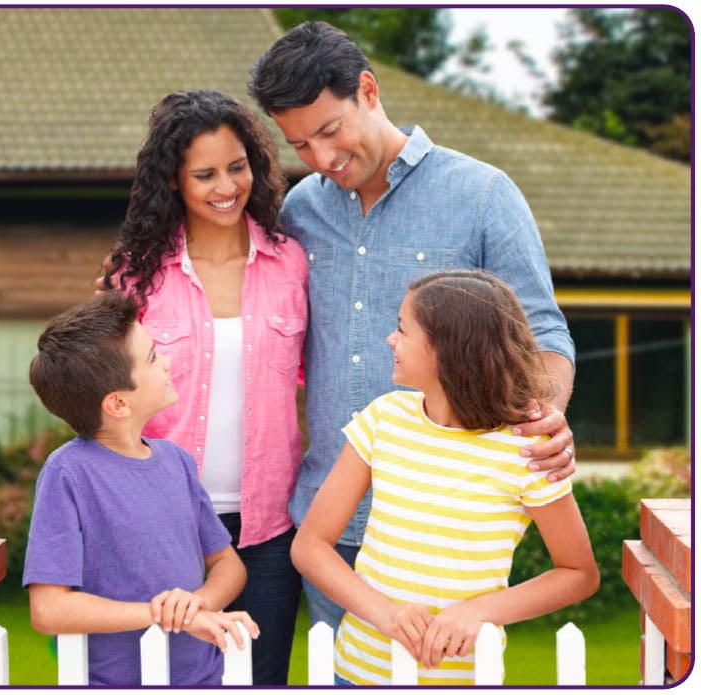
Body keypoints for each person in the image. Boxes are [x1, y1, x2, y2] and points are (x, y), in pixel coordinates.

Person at [248, 21, 579, 630]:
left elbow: (544, 336)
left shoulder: (482, 195)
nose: (322, 159)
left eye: (329, 131)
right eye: (300, 145)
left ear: (368, 92)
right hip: (329, 527)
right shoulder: (301, 209)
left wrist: (544, 414)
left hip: (443, 526)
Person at [291, 270, 599, 685]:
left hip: (467, 680)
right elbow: (310, 546)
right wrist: (385, 614)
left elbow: (578, 573)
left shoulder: (527, 449)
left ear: (449, 350)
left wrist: (479, 611)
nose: (390, 339)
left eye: (402, 329)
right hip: (357, 673)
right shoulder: (383, 421)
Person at [99, 90, 308, 685]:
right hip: (162, 522)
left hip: (268, 527)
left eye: (237, 166)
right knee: (164, 677)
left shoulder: (292, 263)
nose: (227, 186)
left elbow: (308, 374)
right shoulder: (132, 276)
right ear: (173, 180)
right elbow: (108, 400)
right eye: (205, 173)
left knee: (259, 677)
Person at [23, 291, 259, 686]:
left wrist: (195, 605)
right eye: (152, 357)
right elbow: (48, 609)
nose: (166, 360)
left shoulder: (177, 462)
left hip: (204, 677)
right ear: (117, 403)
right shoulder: (68, 474)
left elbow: (228, 566)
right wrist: (158, 613)